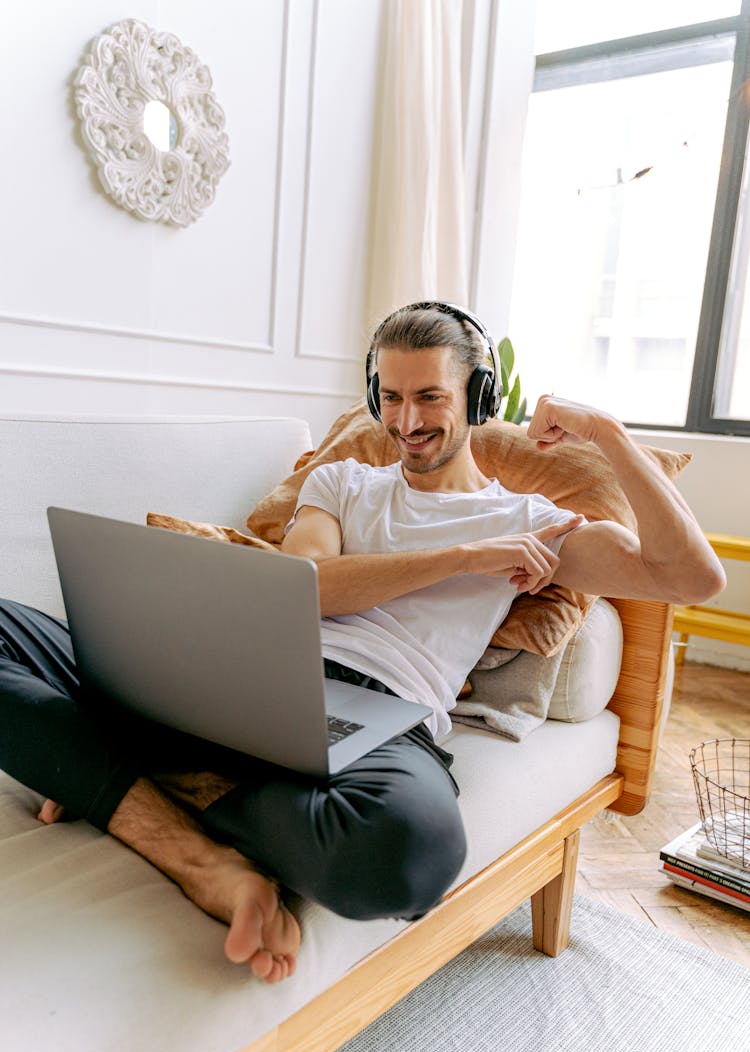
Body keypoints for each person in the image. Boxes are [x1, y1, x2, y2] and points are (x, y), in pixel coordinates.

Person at [0, 301, 725, 984]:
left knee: (412, 855)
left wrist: (609, 436)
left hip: (377, 716)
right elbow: (307, 580)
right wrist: (463, 558)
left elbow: (691, 576)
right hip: (248, 673)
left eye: (431, 398)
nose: (405, 421)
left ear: (478, 398)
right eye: (391, 395)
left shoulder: (535, 522)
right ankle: (195, 854)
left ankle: (119, 773)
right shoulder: (345, 482)